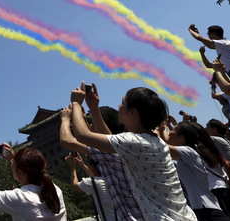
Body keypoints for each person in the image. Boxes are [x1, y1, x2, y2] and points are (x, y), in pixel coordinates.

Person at [68, 84, 196, 220]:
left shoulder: (134, 142)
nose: (119, 107)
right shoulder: (151, 140)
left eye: (123, 103)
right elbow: (111, 142)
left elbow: (82, 135)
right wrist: (93, 108)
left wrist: (76, 103)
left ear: (134, 113)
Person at [59, 86, 141, 220]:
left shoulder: (112, 154)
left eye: (92, 123)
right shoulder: (131, 146)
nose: (90, 126)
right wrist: (92, 109)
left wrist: (67, 117)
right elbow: (99, 136)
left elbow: (69, 140)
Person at [0, 143, 66, 220]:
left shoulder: (20, 198)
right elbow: (23, 171)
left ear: (20, 173)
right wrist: (13, 158)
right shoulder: (55, 190)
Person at [163, 122, 230, 220]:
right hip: (202, 210)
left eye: (173, 130)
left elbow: (161, 148)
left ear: (182, 137)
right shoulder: (184, 155)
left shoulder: (188, 151)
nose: (169, 133)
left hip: (208, 210)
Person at [64, 152, 114, 221]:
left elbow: (75, 186)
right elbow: (95, 176)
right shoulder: (109, 177)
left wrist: (73, 168)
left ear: (92, 165)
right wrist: (82, 164)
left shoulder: (94, 183)